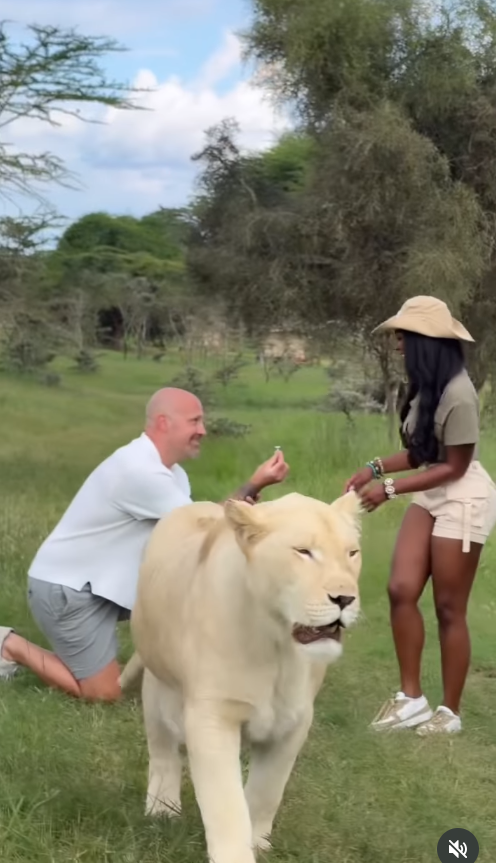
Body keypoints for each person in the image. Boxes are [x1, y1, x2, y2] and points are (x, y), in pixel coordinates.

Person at [0, 387, 289, 702]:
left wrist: (248, 494)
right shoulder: (139, 472)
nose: (203, 430)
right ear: (164, 422)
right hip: (68, 591)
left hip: (102, 584)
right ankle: (10, 645)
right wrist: (255, 483)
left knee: (196, 587)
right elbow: (207, 530)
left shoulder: (170, 472)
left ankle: (201, 670)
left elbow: (199, 526)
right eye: (195, 421)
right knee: (104, 694)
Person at [345, 296, 496, 735]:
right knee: (400, 588)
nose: (397, 345)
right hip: (433, 488)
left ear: (426, 343)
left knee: (449, 607)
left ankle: (449, 713)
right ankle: (411, 699)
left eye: (403, 336)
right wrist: (374, 468)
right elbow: (422, 454)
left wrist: (388, 489)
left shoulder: (460, 394)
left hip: (462, 495)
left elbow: (455, 467)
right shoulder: (426, 388)